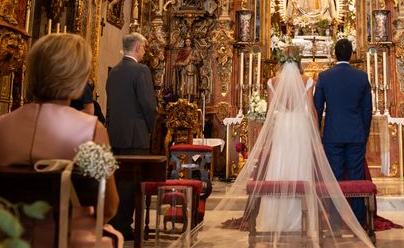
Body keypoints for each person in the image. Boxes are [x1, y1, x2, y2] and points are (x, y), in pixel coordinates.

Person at [199, 45, 373, 246]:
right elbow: (313, 111)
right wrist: (316, 133)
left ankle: (278, 218)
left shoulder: (272, 82)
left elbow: (271, 113)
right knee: (307, 172)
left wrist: (270, 135)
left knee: (280, 169)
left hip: (282, 131)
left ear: (281, 60)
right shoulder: (308, 81)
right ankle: (333, 220)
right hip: (301, 130)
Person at [0, 34, 122, 247]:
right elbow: (109, 206)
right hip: (70, 239)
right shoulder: (91, 130)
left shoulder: (0, 126)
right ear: (76, 76)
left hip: (11, 239)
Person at [314, 38, 373, 227]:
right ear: (351, 55)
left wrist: (318, 132)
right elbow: (367, 110)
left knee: (335, 177)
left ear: (334, 54)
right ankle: (358, 219)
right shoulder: (361, 77)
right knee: (356, 177)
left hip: (332, 134)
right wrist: (363, 134)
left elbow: (317, 108)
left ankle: (336, 219)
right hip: (355, 133)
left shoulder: (324, 77)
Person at [106, 32, 157, 240]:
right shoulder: (141, 70)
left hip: (115, 134)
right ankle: (124, 226)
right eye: (143, 48)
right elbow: (147, 104)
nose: (144, 52)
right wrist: (150, 126)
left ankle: (114, 221)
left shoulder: (114, 71)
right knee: (131, 182)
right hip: (136, 136)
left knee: (117, 179)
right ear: (137, 48)